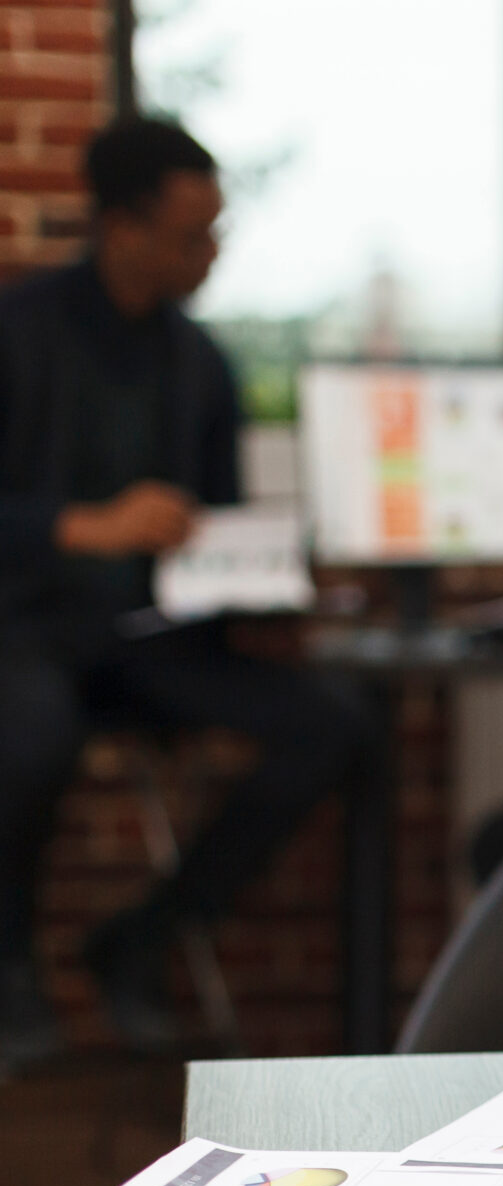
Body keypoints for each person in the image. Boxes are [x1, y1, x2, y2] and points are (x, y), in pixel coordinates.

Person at [0, 116, 364, 1070]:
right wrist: (82, 525)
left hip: (158, 641)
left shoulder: (200, 364)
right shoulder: (18, 333)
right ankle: (9, 972)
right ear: (121, 228)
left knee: (331, 720)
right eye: (190, 235)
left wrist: (269, 573)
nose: (211, 253)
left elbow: (219, 522)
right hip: (29, 632)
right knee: (30, 735)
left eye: (217, 232)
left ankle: (148, 933)